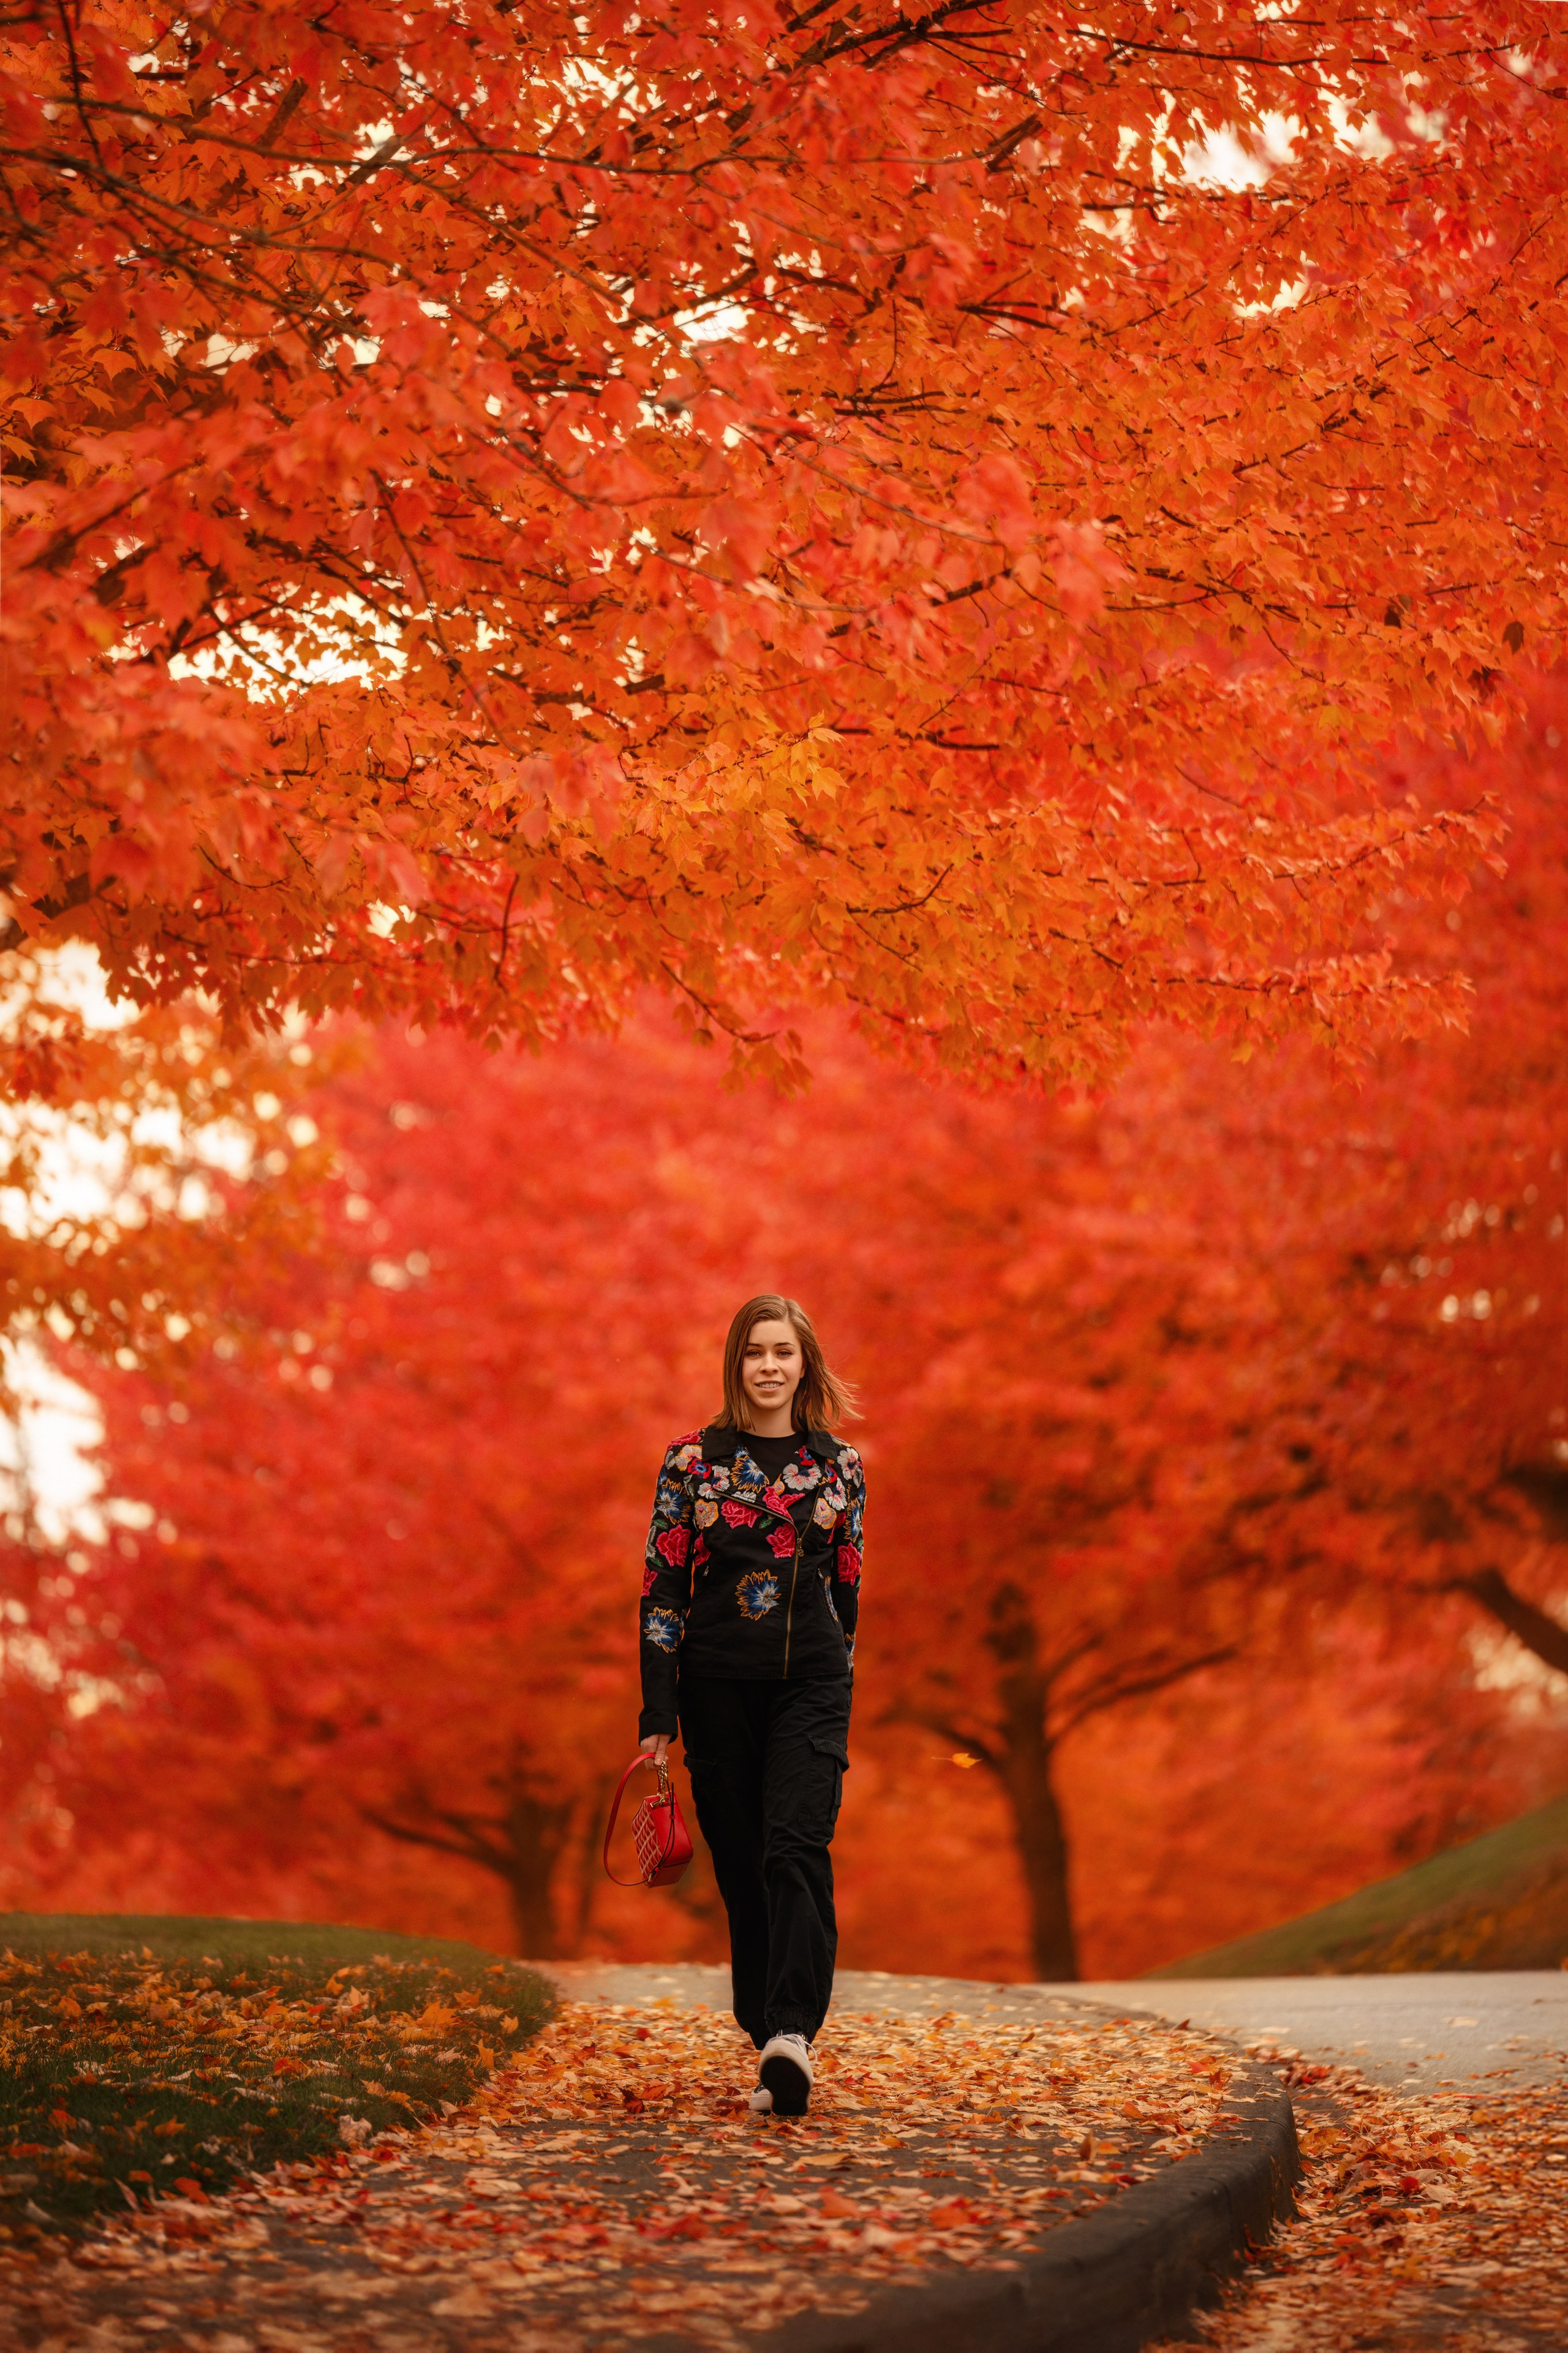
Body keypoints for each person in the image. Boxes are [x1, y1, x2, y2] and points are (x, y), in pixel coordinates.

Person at [638, 1294, 864, 2118]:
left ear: (805, 1364)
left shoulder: (838, 1467)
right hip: (716, 1686)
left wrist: (840, 1692)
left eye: (784, 1351)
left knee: (794, 1845)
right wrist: (657, 1710)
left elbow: (847, 1589)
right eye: (754, 1352)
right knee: (742, 1865)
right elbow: (664, 1586)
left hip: (811, 1683)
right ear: (735, 1363)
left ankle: (792, 2033)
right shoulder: (692, 1462)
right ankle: (765, 2021)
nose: (770, 1365)